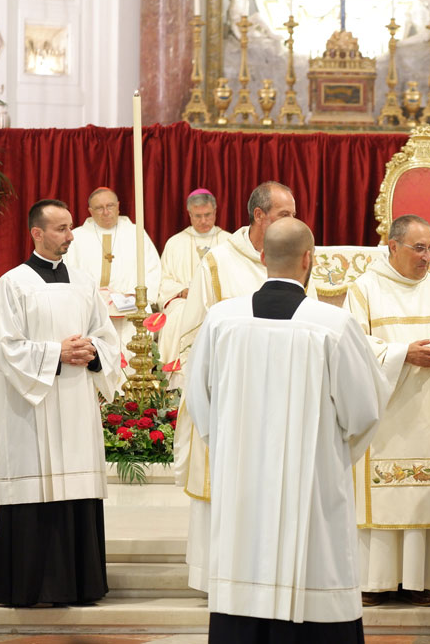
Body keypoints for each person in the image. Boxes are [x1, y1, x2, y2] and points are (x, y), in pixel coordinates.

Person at [187, 218, 384, 644]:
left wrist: (228, 450)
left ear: (262, 256)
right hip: (312, 490)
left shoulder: (222, 320)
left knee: (243, 571)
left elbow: (199, 403)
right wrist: (328, 458)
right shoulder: (333, 325)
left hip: (241, 490)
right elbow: (364, 413)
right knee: (317, 574)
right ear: (308, 259)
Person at [170, 181, 311, 593]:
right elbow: (193, 336)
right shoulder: (218, 262)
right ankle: (217, 579)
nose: (293, 221)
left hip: (281, 400)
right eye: (285, 214)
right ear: (259, 216)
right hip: (232, 403)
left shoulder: (297, 260)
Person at [0, 199, 120, 607]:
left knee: (77, 488)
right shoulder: (13, 283)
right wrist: (55, 354)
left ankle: (81, 585)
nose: (70, 235)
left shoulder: (83, 282)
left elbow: (106, 336)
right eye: (61, 229)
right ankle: (30, 586)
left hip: (77, 403)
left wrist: (93, 352)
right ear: (37, 234)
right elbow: (5, 349)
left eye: (69, 228)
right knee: (37, 490)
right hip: (34, 409)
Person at [344, 214, 430, 607]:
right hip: (383, 417)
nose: (427, 256)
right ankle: (375, 581)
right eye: (419, 248)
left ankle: (421, 580)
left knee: (423, 494)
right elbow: (352, 346)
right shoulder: (364, 289)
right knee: (381, 496)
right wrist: (403, 354)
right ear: (393, 247)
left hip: (426, 412)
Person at [63, 187, 161, 354]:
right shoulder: (77, 237)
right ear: (90, 211)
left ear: (118, 206)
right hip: (92, 308)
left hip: (131, 306)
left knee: (133, 355)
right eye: (99, 208)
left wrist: (133, 295)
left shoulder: (136, 233)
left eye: (110, 206)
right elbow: (68, 274)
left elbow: (153, 268)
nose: (106, 212)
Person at [156, 189, 229, 366]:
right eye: (197, 216)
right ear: (189, 214)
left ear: (215, 212)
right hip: (184, 301)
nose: (203, 221)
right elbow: (163, 280)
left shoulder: (229, 241)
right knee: (179, 315)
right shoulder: (175, 243)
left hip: (219, 300)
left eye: (208, 215)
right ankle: (176, 374)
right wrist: (182, 291)